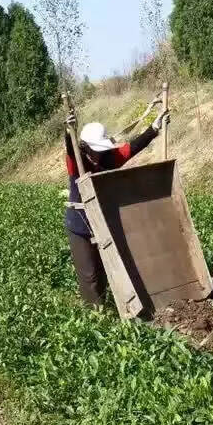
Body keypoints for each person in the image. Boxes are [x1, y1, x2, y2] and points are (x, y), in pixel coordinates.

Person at [64, 107, 168, 307]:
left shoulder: (109, 159)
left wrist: (154, 128)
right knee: (90, 275)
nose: (97, 155)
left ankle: (107, 308)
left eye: (100, 151)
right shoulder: (77, 162)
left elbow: (133, 147)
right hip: (79, 225)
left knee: (105, 271)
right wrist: (69, 132)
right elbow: (70, 148)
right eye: (93, 150)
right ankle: (95, 315)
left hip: (101, 223)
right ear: (85, 147)